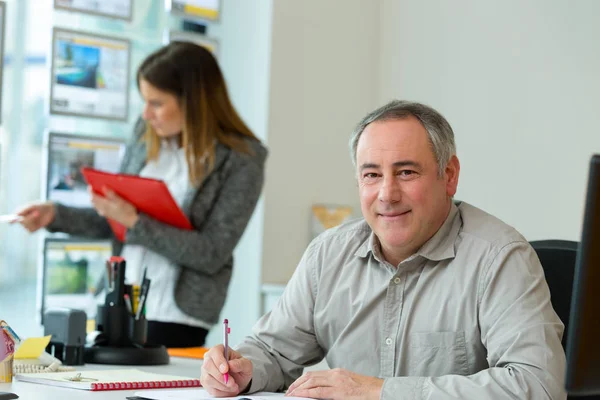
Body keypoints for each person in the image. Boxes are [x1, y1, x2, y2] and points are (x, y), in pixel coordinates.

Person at [200, 100, 566, 399]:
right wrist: (242, 370)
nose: (387, 195)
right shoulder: (328, 254)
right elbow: (272, 353)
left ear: (449, 175)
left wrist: (382, 391)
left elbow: (537, 385)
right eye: (372, 175)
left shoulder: (499, 256)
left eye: (406, 172)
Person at [15, 42, 268, 348]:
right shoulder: (144, 135)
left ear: (194, 102)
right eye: (144, 102)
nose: (146, 114)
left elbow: (212, 253)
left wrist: (135, 222)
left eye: (157, 103)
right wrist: (55, 214)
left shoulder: (243, 159)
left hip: (177, 316)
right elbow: (114, 220)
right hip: (116, 301)